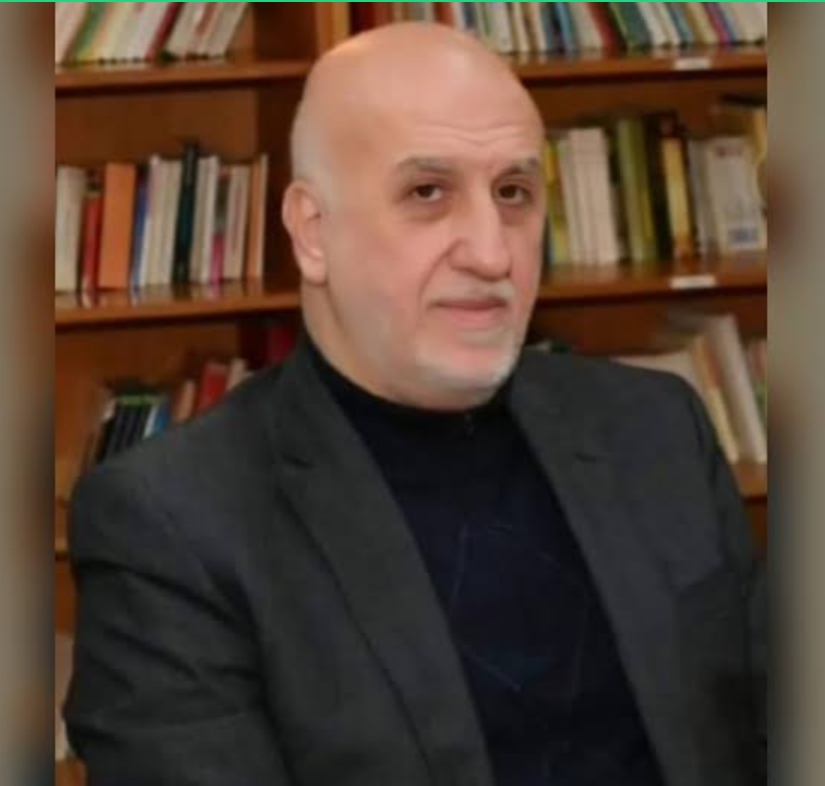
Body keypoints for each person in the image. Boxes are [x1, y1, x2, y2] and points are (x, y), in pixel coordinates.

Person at [65, 22, 765, 786]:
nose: (491, 253)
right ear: (312, 232)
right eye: (427, 193)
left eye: (513, 193)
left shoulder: (655, 426)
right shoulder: (173, 526)